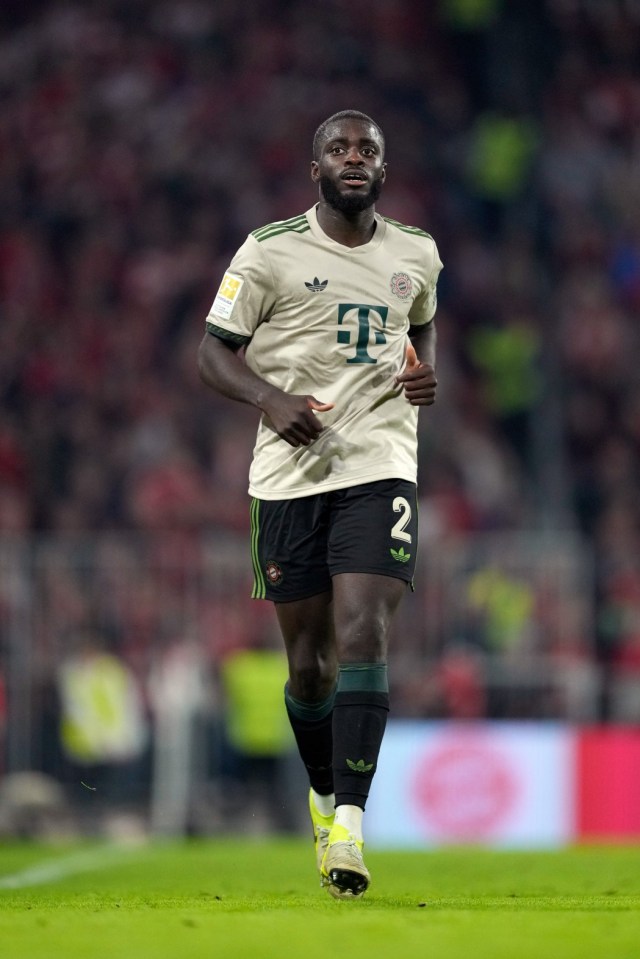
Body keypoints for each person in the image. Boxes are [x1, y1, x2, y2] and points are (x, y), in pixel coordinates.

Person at [198, 110, 442, 899]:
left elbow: (421, 329)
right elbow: (211, 353)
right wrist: (270, 399)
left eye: (367, 148)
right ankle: (322, 793)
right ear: (315, 168)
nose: (353, 158)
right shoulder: (268, 252)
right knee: (309, 669)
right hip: (289, 477)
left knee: (364, 626)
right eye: (338, 148)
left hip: (380, 463)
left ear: (382, 166)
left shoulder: (417, 252)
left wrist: (421, 374)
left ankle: (351, 827)